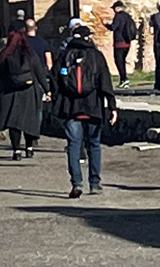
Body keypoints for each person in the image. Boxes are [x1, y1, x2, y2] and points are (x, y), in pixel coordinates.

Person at [51, 25, 117, 198]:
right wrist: (112, 106)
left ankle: (77, 182)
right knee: (94, 144)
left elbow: (54, 80)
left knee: (73, 144)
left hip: (70, 107)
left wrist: (56, 102)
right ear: (88, 37)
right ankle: (94, 183)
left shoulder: (64, 55)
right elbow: (105, 82)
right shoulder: (96, 56)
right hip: (92, 105)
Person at [0, 31, 50, 160]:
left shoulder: (4, 55)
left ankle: (16, 150)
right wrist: (47, 89)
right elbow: (39, 73)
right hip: (29, 91)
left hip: (10, 92)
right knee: (29, 120)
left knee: (14, 122)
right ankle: (29, 148)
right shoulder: (30, 54)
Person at [103, 0, 136, 89]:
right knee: (122, 61)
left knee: (119, 61)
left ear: (117, 8)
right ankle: (123, 79)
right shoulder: (127, 16)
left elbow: (113, 27)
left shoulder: (118, 16)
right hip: (127, 42)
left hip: (119, 42)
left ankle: (124, 79)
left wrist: (106, 25)